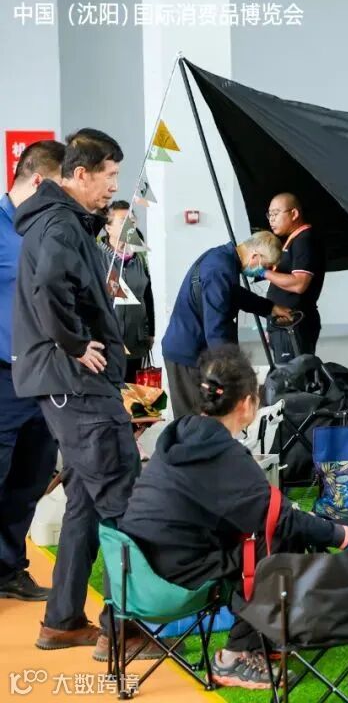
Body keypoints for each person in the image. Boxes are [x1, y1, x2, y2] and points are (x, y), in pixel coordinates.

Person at [120, 345, 348, 688]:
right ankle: (236, 654)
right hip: (173, 578)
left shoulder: (182, 435)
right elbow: (281, 520)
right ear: (247, 404)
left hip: (134, 572)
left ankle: (264, 632)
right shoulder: (225, 454)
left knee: (267, 532)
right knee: (278, 537)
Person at [11, 129, 140, 651]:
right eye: (110, 175)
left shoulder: (60, 221)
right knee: (123, 500)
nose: (114, 186)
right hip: (76, 384)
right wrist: (76, 343)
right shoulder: (60, 223)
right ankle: (125, 626)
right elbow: (49, 288)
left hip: (69, 383)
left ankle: (62, 621)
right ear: (80, 174)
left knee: (87, 502)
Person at [0, 140, 64, 603]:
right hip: (2, 377)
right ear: (39, 181)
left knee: (30, 479)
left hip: (43, 376)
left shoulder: (46, 230)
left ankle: (7, 569)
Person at [161, 232, 290, 418]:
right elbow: (216, 327)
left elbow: (233, 294)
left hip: (194, 349)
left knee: (206, 422)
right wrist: (228, 373)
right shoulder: (219, 270)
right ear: (255, 256)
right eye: (266, 266)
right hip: (187, 355)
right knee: (193, 423)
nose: (264, 271)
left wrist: (270, 308)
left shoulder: (223, 258)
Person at [262, 192, 326, 364]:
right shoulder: (293, 240)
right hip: (283, 324)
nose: (271, 219)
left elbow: (299, 283)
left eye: (276, 213)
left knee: (293, 375)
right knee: (285, 373)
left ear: (294, 213)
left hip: (294, 323)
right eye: (269, 215)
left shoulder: (305, 240)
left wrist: (263, 273)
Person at [98, 201, 155, 382]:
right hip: (106, 344)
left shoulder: (139, 258)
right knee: (110, 392)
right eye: (123, 221)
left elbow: (147, 295)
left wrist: (151, 332)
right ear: (108, 227)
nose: (130, 225)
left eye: (132, 220)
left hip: (136, 341)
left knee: (133, 395)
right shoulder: (97, 257)